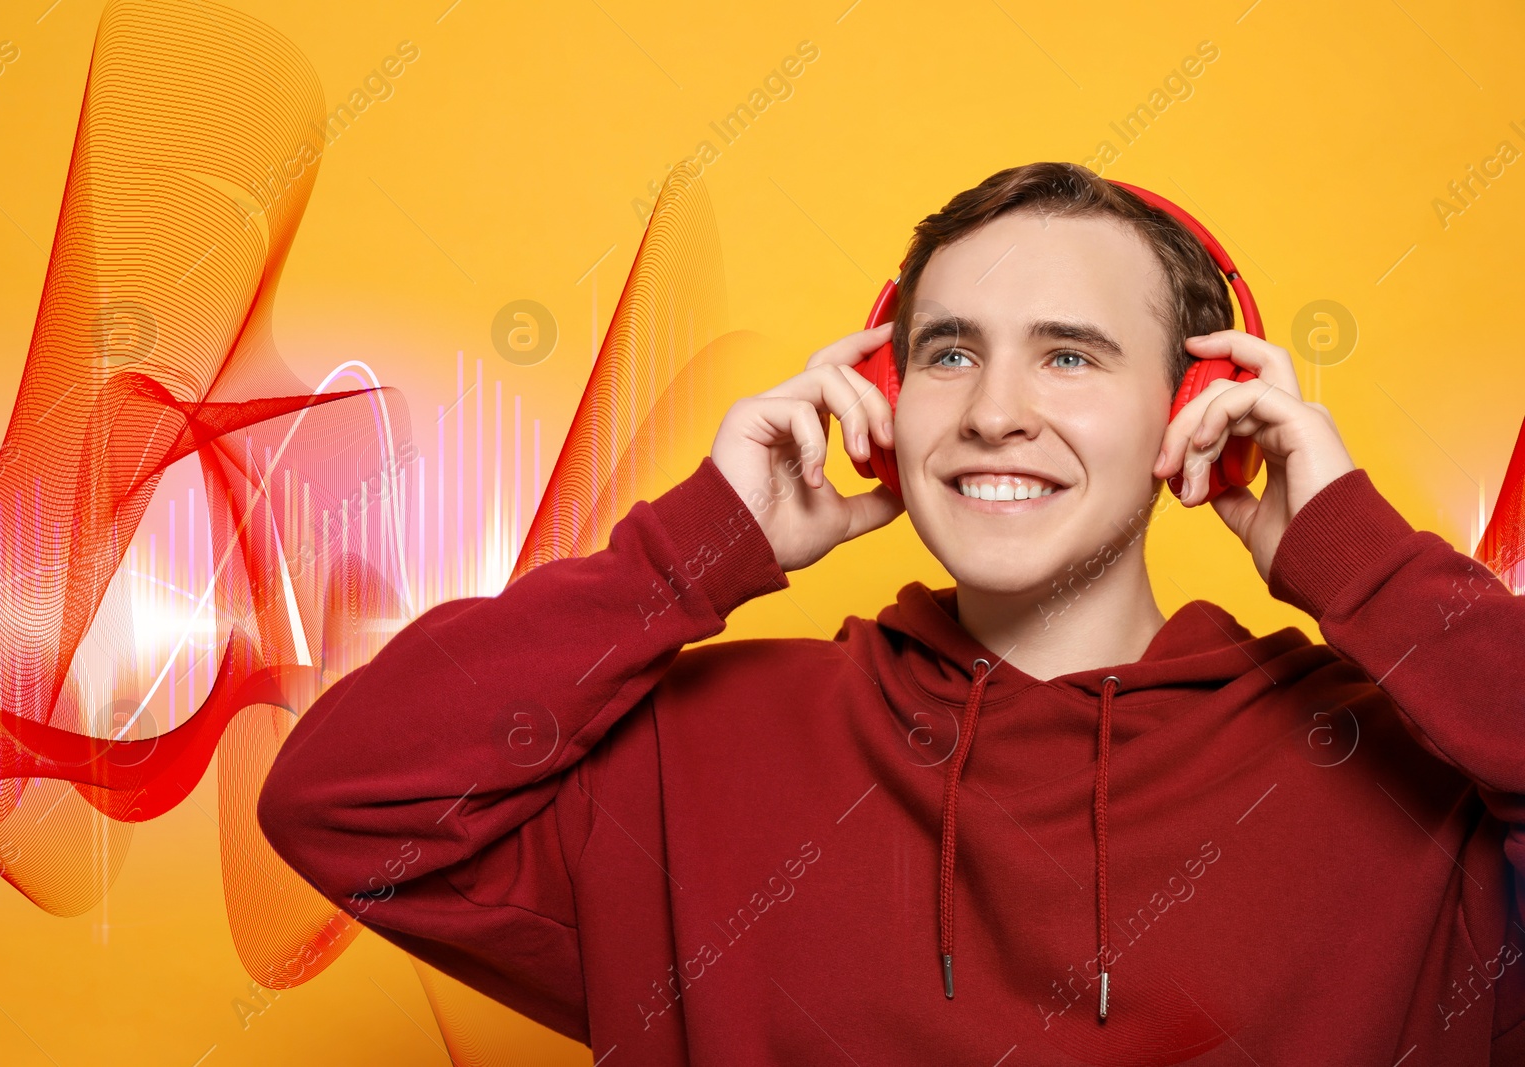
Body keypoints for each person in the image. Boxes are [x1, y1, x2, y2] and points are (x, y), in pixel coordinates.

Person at [256, 162, 1525, 1065]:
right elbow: (343, 799)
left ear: (1195, 410)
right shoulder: (696, 749)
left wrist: (1359, 564)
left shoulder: (1401, 778)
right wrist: (692, 549)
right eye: (949, 351)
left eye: (1070, 355)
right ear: (879, 400)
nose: (991, 411)